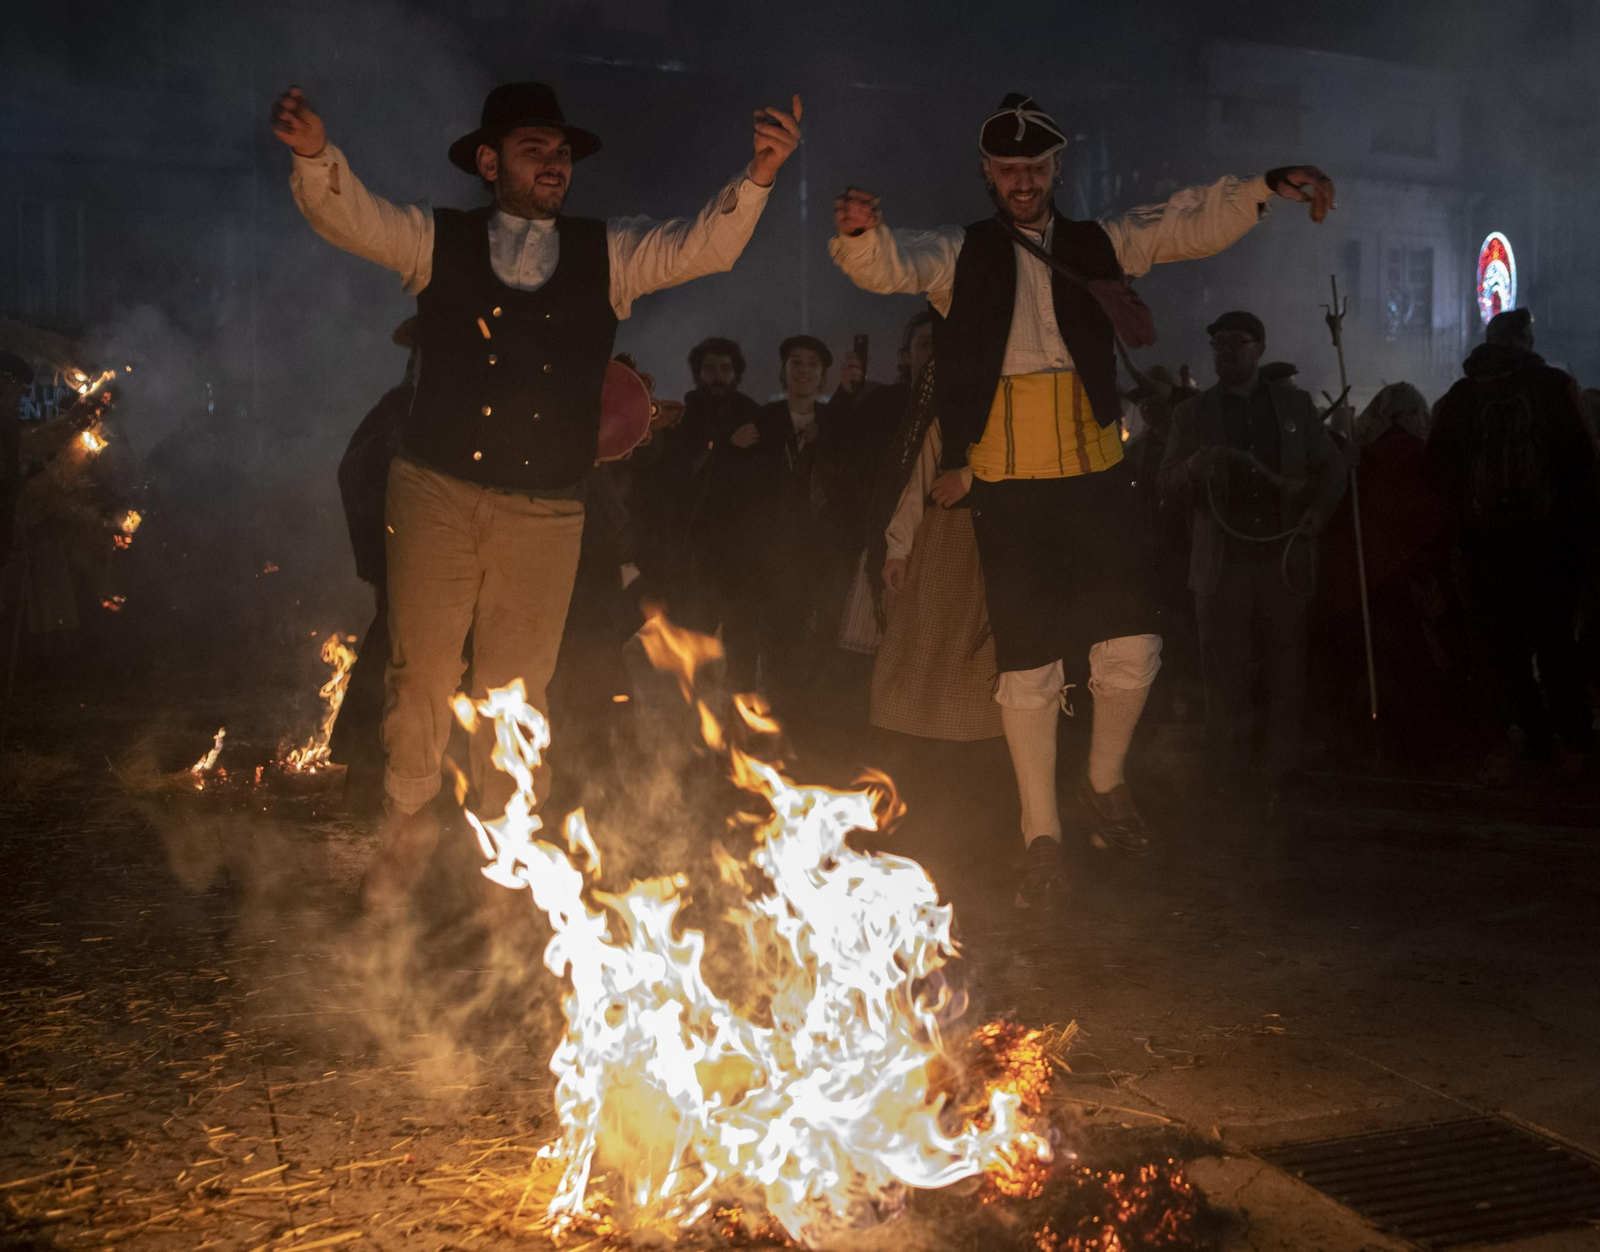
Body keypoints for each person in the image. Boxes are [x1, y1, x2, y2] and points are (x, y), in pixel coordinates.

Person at [273, 81, 802, 905]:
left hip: (547, 508)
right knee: (420, 677)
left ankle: (507, 853)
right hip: (435, 493)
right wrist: (316, 157)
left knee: (517, 691)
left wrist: (762, 174)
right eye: (535, 149)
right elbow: (354, 217)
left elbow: (705, 246)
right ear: (489, 163)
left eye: (562, 153)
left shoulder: (609, 253)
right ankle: (407, 824)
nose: (555, 163)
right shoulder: (434, 240)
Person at [830, 91, 1335, 906]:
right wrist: (858, 237)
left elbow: (1185, 223)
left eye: (1036, 165)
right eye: (1007, 167)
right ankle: (1041, 838)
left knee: (1134, 646)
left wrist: (1266, 185)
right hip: (1010, 488)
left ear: (1056, 168)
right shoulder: (959, 253)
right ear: (988, 174)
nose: (1022, 179)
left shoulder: (1102, 242)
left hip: (1098, 475)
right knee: (1027, 666)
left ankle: (1102, 784)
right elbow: (893, 262)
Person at [1157, 311, 1347, 795]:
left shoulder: (1294, 406)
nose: (1223, 351)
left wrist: (1318, 515)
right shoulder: (1192, 414)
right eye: (1217, 342)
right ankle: (1226, 769)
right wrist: (1190, 472)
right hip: (1223, 564)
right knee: (1223, 670)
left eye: (1234, 342)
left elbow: (1332, 467)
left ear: (1258, 349)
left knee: (1288, 666)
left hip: (1281, 559)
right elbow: (1166, 481)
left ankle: (1284, 766)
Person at [1426, 307, 1598, 783]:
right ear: (1525, 341)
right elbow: (1583, 466)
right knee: (1555, 642)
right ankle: (1575, 743)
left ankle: (1531, 736)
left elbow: (1434, 473)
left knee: (1502, 648)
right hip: (1550, 547)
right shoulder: (1552, 388)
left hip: (1485, 549)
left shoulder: (1461, 397)